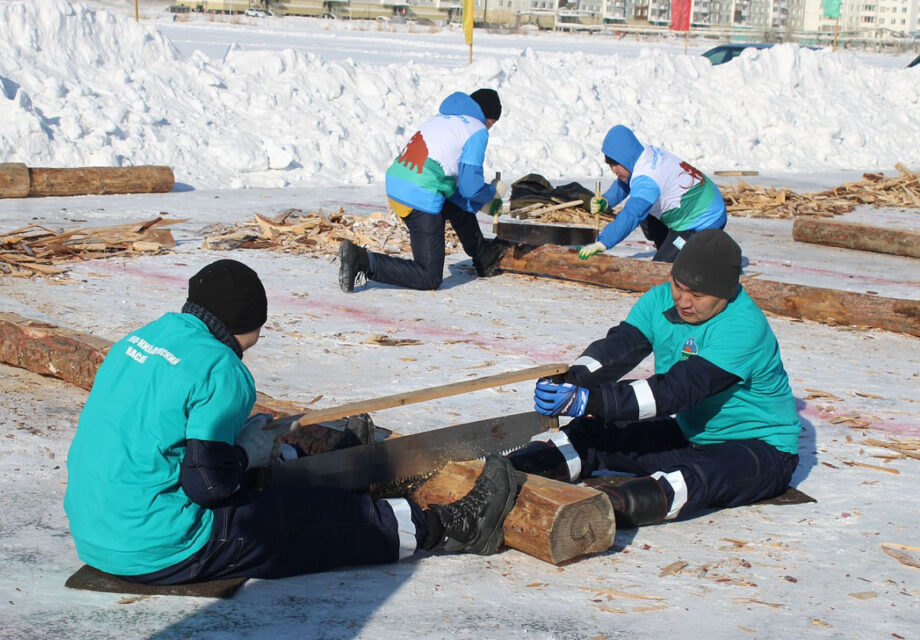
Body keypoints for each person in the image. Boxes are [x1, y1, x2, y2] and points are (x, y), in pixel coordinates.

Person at [64, 259, 519, 584]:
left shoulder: (144, 338)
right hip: (162, 546)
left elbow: (171, 441)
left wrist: (249, 454)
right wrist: (244, 454)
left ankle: (325, 468)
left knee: (258, 467)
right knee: (323, 519)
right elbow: (208, 484)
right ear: (248, 321)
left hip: (98, 532)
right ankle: (452, 528)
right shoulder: (222, 367)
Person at [508, 230, 800, 528]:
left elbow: (677, 391)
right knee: (593, 434)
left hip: (761, 449)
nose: (683, 302)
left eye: (697, 296)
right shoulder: (659, 300)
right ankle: (507, 473)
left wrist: (593, 400)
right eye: (678, 286)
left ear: (725, 293)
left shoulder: (743, 327)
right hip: (691, 434)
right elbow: (617, 350)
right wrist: (575, 379)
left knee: (689, 480)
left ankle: (593, 515)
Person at [339, 88, 508, 293]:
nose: (489, 128)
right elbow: (470, 187)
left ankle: (483, 256)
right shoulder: (477, 129)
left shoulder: (443, 118)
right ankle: (364, 260)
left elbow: (457, 190)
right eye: (492, 123)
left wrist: (480, 202)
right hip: (419, 195)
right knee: (428, 276)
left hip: (398, 183)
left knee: (455, 204)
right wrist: (490, 193)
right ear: (488, 117)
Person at [579, 125, 728, 263]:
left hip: (703, 220)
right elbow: (627, 181)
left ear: (625, 158)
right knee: (647, 214)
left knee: (663, 269)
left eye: (616, 164)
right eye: (611, 165)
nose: (613, 170)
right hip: (693, 204)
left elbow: (632, 214)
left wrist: (603, 242)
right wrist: (606, 200)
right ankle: (668, 243)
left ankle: (694, 251)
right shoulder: (641, 154)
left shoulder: (648, 179)